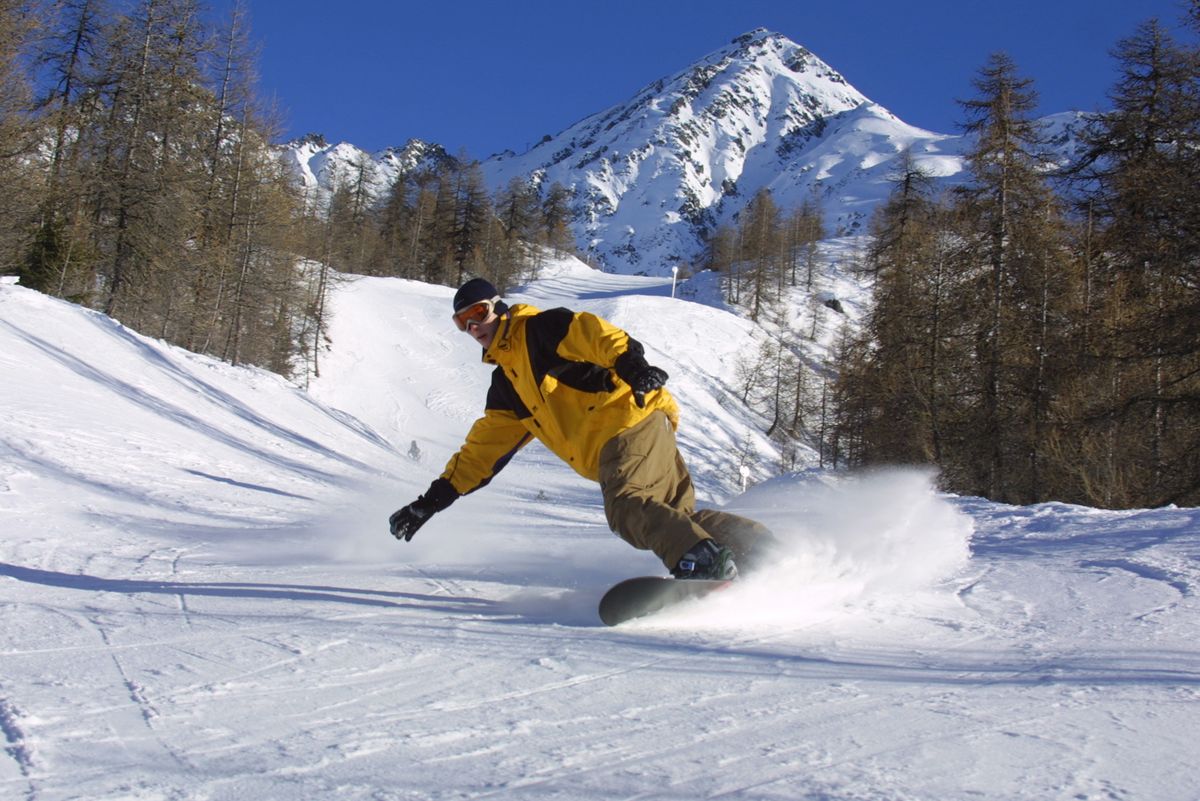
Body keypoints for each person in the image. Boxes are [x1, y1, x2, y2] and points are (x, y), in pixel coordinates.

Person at [388, 278, 772, 579]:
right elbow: (480, 455)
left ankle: (702, 564)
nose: (474, 327)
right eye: (462, 323)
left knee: (627, 508)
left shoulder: (540, 329)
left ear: (498, 307)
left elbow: (597, 336)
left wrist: (634, 368)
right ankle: (764, 553)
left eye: (478, 313)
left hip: (624, 423)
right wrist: (429, 503)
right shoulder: (507, 385)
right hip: (640, 429)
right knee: (673, 518)